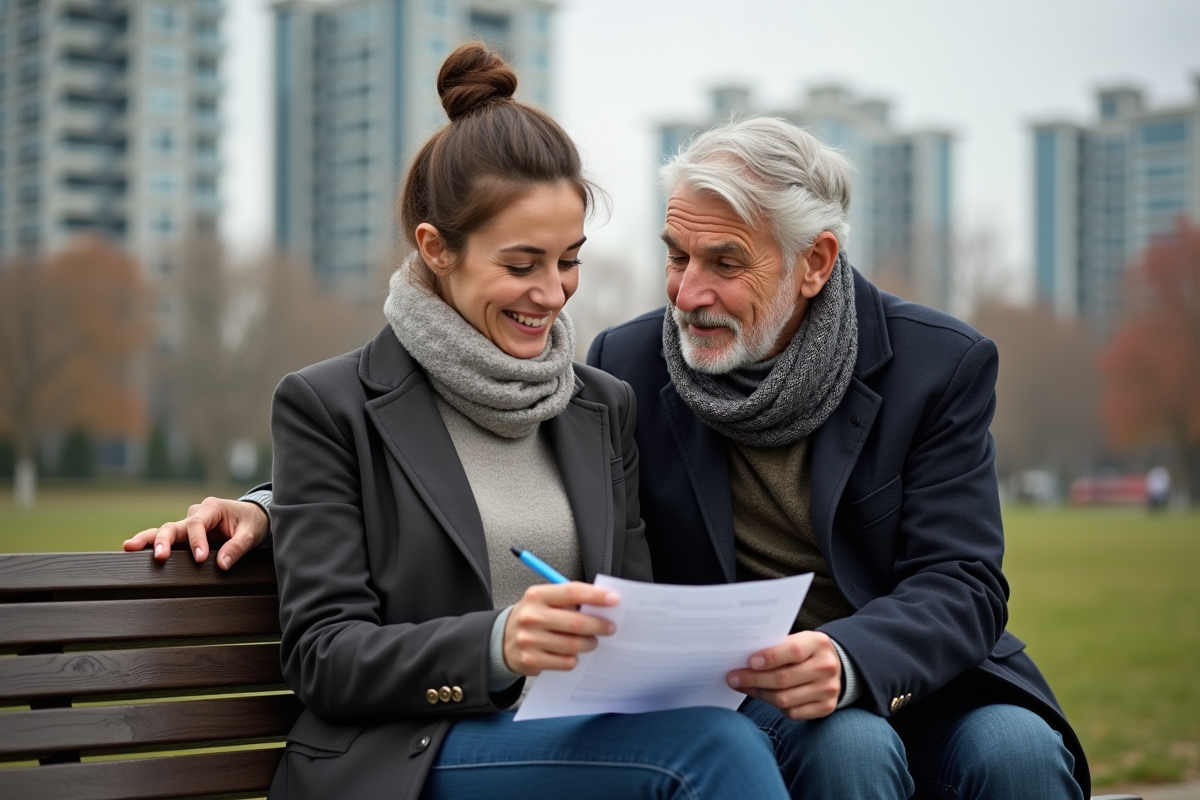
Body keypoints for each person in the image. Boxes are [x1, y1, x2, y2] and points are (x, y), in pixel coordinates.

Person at [128, 112, 1089, 800]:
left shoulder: (600, 398)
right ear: (437, 250)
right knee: (821, 752)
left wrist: (847, 656)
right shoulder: (630, 369)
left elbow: (964, 581)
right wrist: (269, 503)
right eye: (677, 255)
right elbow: (378, 485)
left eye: (724, 263)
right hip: (475, 733)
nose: (688, 293)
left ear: (815, 264)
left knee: (1010, 755)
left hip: (897, 673)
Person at [123, 44, 793, 800]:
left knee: (777, 738)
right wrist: (498, 645)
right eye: (521, 265)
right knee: (709, 751)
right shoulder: (328, 406)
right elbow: (325, 657)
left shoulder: (602, 406)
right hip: (408, 755)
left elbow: (627, 612)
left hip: (572, 739)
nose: (552, 293)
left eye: (568, 261)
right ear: (436, 250)